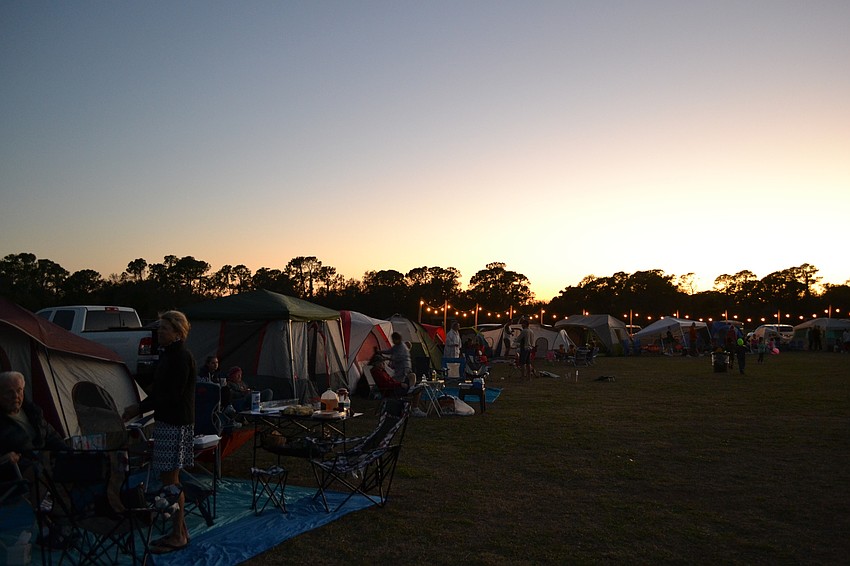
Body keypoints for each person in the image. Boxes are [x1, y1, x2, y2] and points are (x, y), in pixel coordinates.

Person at [122, 310, 195, 555]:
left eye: (164, 328)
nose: (159, 332)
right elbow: (160, 389)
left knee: (171, 481)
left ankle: (178, 535)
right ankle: (180, 531)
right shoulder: (168, 356)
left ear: (176, 332)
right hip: (167, 422)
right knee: (168, 480)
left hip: (175, 423)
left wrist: (139, 407)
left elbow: (171, 395)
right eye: (159, 328)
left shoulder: (181, 357)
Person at [1, 371, 66, 486]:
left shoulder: (32, 412)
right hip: (16, 470)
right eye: (9, 392)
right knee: (40, 474)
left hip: (43, 462)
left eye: (19, 390)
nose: (15, 396)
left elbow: (51, 435)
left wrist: (67, 452)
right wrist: (5, 458)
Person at [374, 333, 425, 416]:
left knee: (407, 377)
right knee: (408, 380)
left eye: (393, 339)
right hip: (398, 373)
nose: (393, 341)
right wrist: (381, 352)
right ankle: (409, 395)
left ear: (397, 339)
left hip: (403, 368)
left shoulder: (402, 347)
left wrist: (387, 358)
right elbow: (390, 351)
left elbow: (398, 357)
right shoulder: (396, 346)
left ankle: (409, 391)